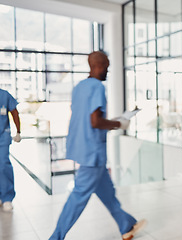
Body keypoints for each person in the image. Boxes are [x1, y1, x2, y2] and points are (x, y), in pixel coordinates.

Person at [50, 51, 146, 240]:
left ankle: (126, 225)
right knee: (78, 197)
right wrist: (119, 123)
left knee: (107, 192)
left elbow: (86, 118)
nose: (107, 71)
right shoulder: (97, 87)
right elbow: (95, 121)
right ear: (99, 65)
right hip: (92, 151)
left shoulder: (79, 87)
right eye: (107, 66)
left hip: (82, 146)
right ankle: (56, 237)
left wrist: (113, 121)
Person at [0, 89, 21, 212]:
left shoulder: (4, 95)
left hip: (3, 136)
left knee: (3, 165)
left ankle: (7, 197)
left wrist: (18, 131)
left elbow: (15, 113)